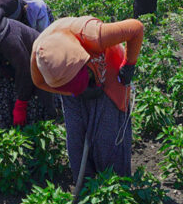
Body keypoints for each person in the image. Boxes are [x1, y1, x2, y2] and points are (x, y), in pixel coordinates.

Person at [30, 16, 143, 183]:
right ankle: (85, 185)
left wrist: (129, 65)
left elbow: (136, 28)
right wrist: (73, 92)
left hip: (108, 75)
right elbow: (39, 82)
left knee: (107, 138)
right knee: (77, 139)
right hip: (70, 86)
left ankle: (115, 186)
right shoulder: (41, 55)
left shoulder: (93, 35)